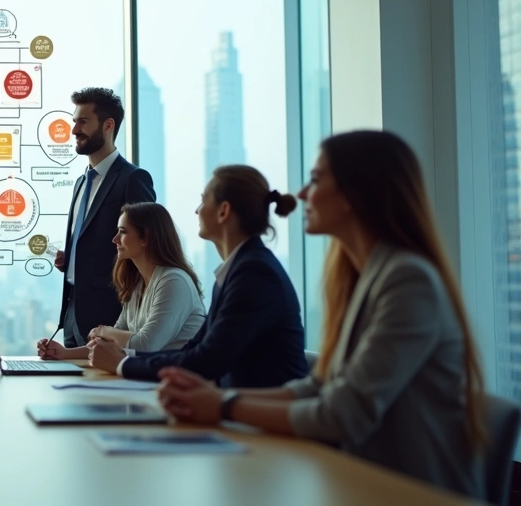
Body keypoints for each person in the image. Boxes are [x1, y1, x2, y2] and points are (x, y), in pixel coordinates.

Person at [156, 131, 486, 499]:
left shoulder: (408, 280)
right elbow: (319, 387)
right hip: (357, 479)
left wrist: (223, 404)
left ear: (355, 192)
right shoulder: (362, 276)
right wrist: (213, 398)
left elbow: (342, 413)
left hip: (409, 491)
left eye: (315, 179)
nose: (300, 194)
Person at [91, 165, 308, 388]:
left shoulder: (255, 274)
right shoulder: (239, 269)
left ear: (223, 211)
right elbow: (193, 350)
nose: (197, 210)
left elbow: (206, 361)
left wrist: (123, 364)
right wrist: (123, 361)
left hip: (263, 415)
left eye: (203, 201)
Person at [51, 87, 155, 349]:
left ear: (108, 125)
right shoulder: (79, 183)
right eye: (74, 122)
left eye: (83, 122)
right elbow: (92, 240)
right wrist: (73, 257)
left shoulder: (133, 179)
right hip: (72, 312)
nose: (74, 130)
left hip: (110, 312)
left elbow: (146, 245)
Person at [39, 202, 204, 359]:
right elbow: (110, 344)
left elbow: (146, 345)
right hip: (150, 375)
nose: (115, 239)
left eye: (123, 231)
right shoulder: (138, 283)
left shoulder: (174, 281)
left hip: (178, 382)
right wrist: (63, 354)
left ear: (145, 238)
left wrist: (104, 331)